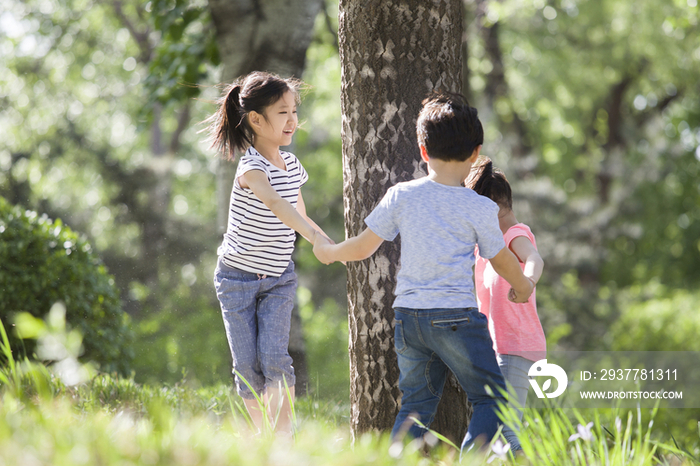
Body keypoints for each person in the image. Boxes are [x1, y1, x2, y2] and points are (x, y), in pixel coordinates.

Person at [313, 92, 534, 452]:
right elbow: (501, 259)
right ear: (476, 152)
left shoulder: (403, 195)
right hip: (456, 319)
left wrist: (329, 251)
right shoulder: (479, 207)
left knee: (415, 406)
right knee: (492, 398)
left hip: (410, 319)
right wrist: (523, 285)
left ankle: (395, 460)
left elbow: (363, 245)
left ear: (423, 149)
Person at [205, 71, 329, 435]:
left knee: (275, 358)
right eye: (282, 112)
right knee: (246, 366)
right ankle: (264, 440)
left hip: (278, 279)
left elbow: (301, 215)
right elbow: (276, 204)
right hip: (236, 279)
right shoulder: (251, 168)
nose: (292, 120)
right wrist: (312, 235)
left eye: (294, 111)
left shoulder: (292, 166)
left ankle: (284, 439)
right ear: (256, 120)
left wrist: (327, 244)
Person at [467, 158, 545, 451]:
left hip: (515, 346)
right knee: (496, 432)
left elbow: (536, 259)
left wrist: (528, 283)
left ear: (497, 208)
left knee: (508, 432)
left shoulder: (515, 235)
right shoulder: (489, 248)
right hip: (498, 348)